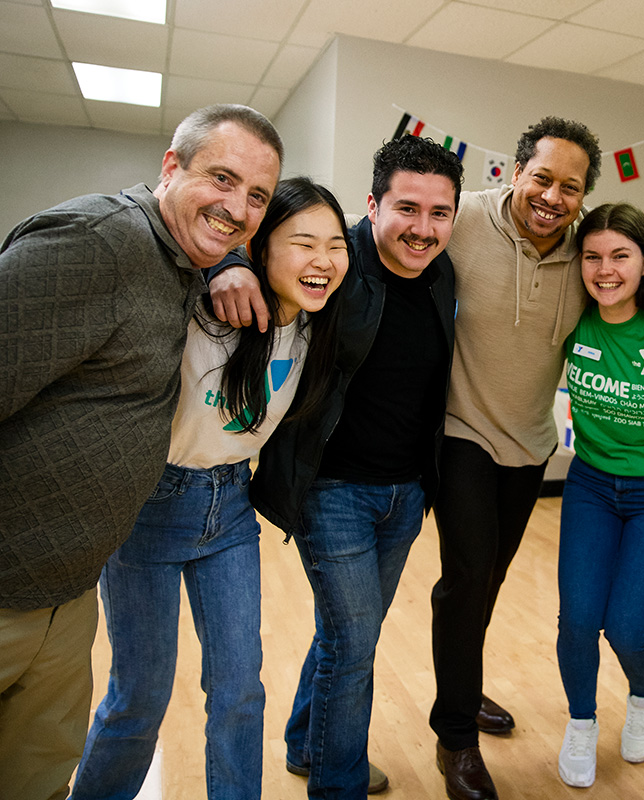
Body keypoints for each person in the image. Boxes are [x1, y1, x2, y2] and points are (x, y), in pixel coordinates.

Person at [0, 104, 282, 800]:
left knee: (36, 778)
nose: (237, 207)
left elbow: (228, 233)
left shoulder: (183, 259)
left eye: (257, 196)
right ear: (169, 167)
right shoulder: (98, 242)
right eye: (221, 177)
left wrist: (236, 259)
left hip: (67, 593)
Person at [72, 177, 349, 800]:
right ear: (259, 246)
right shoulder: (201, 304)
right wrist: (224, 262)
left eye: (335, 245)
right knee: (138, 695)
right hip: (148, 504)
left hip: (230, 509)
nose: (324, 261)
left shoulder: (314, 325)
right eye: (303, 243)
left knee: (240, 692)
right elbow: (171, 216)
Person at [208, 134, 463, 798]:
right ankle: (337, 782)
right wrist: (225, 265)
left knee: (351, 631)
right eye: (407, 208)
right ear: (372, 205)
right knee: (354, 647)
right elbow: (262, 244)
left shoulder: (444, 277)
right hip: (333, 490)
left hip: (406, 494)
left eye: (440, 213)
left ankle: (303, 741)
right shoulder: (338, 264)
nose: (423, 227)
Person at [430, 116, 602, 800]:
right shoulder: (464, 219)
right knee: (466, 579)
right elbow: (354, 232)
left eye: (571, 186)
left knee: (491, 580)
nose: (553, 196)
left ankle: (463, 690)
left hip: (530, 446)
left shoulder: (589, 254)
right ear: (514, 172)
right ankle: (456, 740)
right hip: (460, 433)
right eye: (543, 178)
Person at [554, 203, 644, 789]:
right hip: (590, 485)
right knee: (578, 621)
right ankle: (581, 723)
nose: (605, 270)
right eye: (593, 257)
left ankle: (643, 696)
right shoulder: (572, 317)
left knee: (628, 628)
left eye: (621, 256)